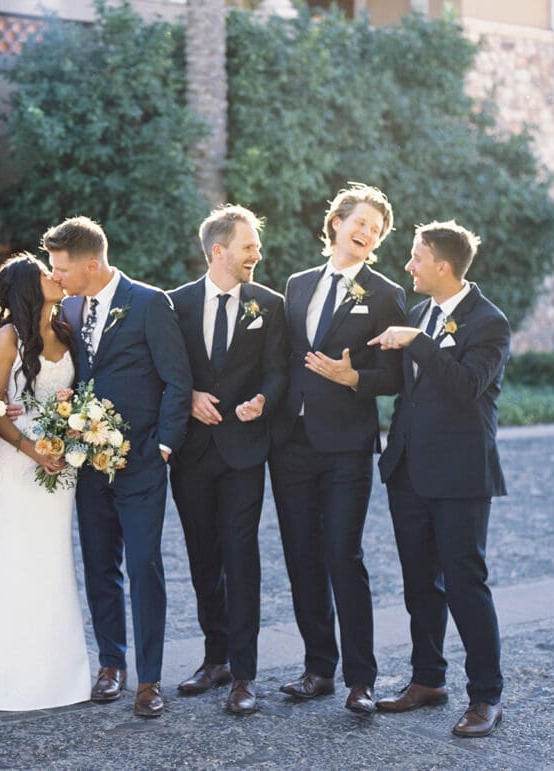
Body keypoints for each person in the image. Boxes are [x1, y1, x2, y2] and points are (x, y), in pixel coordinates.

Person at [47, 216, 192, 718]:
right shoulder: (65, 308)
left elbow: (178, 381)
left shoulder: (151, 303)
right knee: (98, 565)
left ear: (92, 263)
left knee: (146, 564)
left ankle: (150, 680)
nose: (56, 276)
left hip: (142, 462)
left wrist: (164, 448)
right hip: (88, 464)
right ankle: (112, 665)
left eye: (62, 267)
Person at [268, 183, 405, 714]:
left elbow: (394, 375)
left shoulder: (386, 294)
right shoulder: (297, 285)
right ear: (337, 223)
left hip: (347, 446)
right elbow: (284, 358)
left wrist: (354, 379)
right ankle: (317, 669)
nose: (368, 233)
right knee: (302, 558)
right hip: (291, 444)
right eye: (362, 222)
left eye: (377, 230)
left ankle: (361, 679)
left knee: (343, 556)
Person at [368, 221, 508, 738]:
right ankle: (428, 679)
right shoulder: (419, 313)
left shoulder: (489, 322)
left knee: (466, 585)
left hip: (461, 476)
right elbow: (408, 389)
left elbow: (467, 385)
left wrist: (421, 343)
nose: (409, 266)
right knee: (419, 584)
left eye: (416, 257)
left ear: (442, 266)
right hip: (409, 472)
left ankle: (486, 697)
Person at [168, 206, 288, 715]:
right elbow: (165, 371)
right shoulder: (174, 304)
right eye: (248, 246)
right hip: (192, 452)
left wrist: (263, 399)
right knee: (201, 558)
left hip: (243, 452)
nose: (256, 255)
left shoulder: (271, 305)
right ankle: (213, 657)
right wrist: (190, 395)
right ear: (219, 251)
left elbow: (278, 371)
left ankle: (244, 673)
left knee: (241, 559)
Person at [0, 253, 90, 711]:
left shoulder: (65, 328)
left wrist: (73, 436)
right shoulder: (8, 336)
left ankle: (59, 674)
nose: (56, 276)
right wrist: (33, 450)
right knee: (17, 560)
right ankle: (16, 676)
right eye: (47, 274)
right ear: (28, 286)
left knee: (54, 559)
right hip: (17, 462)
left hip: (60, 467)